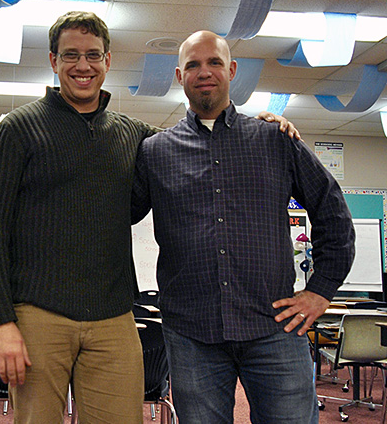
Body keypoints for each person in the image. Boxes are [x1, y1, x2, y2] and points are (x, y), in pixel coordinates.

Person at [0, 12, 298, 423]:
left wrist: (262, 124)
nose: (83, 66)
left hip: (113, 316)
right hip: (38, 315)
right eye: (71, 55)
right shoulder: (18, 130)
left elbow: (193, 139)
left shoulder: (135, 136)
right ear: (54, 61)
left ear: (108, 61)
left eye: (93, 55)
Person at [131, 30, 355, 424]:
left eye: (214, 62)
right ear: (179, 76)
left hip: (273, 327)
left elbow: (332, 213)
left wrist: (320, 292)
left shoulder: (275, 139)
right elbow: (116, 216)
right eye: (194, 65)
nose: (205, 72)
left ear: (232, 70)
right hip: (191, 334)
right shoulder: (155, 151)